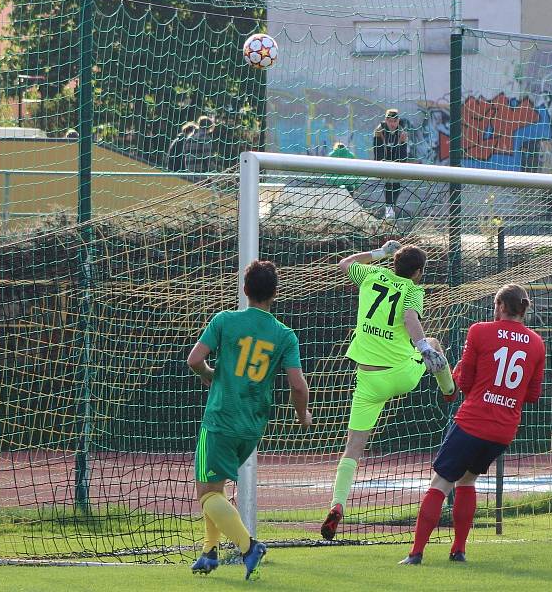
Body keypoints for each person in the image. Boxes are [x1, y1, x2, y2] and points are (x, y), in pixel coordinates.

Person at [399, 283, 545, 565]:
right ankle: (458, 550)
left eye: (495, 305)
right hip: (503, 431)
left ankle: (415, 553)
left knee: (441, 482)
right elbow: (532, 395)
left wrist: (457, 376)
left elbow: (463, 383)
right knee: (467, 480)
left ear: (501, 306)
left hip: (473, 422)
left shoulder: (480, 330)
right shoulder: (537, 343)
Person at [321, 241, 454, 541]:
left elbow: (344, 262)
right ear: (418, 272)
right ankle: (449, 389)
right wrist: (422, 346)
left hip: (367, 380)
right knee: (433, 343)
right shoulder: (413, 289)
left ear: (392, 264)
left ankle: (337, 504)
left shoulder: (370, 276)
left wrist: (380, 252)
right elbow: (409, 317)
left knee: (353, 448)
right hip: (399, 374)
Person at [187, 260, 312, 580]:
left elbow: (195, 360)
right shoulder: (284, 334)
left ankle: (248, 546)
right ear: (275, 294)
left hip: (221, 419)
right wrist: (302, 415)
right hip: (252, 426)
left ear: (245, 290)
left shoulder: (225, 320)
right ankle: (209, 552)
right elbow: (298, 386)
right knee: (218, 488)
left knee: (207, 494)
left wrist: (209, 375)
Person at [373, 109, 408, 220]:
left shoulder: (402, 132)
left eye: (394, 121)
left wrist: (401, 163)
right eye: (390, 121)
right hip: (385, 158)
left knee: (396, 184)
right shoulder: (379, 131)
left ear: (398, 121)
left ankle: (392, 206)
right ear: (386, 120)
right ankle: (388, 206)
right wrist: (380, 163)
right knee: (389, 183)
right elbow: (377, 150)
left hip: (396, 159)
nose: (392, 124)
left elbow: (403, 153)